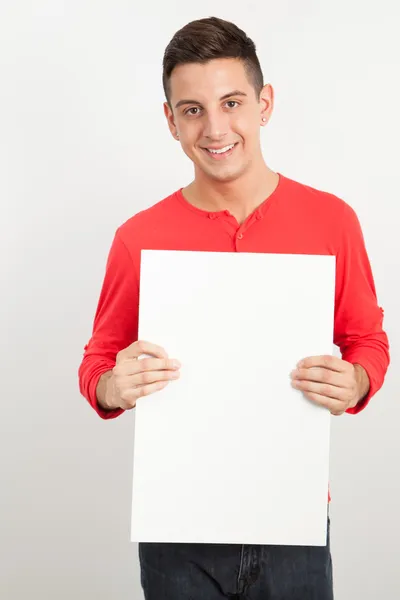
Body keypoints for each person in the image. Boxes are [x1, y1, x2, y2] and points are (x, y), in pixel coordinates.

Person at [78, 16, 390, 600]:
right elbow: (96, 364)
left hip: (290, 517)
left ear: (264, 103)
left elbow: (368, 342)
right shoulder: (137, 237)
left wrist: (355, 380)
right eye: (192, 109)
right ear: (170, 121)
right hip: (176, 526)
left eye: (232, 102)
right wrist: (113, 387)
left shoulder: (332, 221)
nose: (215, 126)